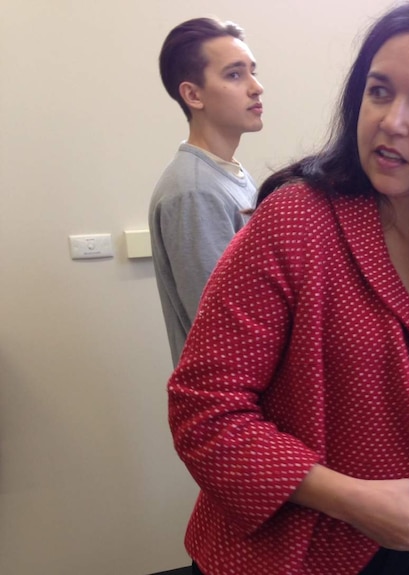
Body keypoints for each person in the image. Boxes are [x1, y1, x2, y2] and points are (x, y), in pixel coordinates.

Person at [167, 2, 409, 574]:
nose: (392, 120)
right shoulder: (296, 221)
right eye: (380, 91)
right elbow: (204, 413)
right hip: (290, 556)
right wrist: (353, 499)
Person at [150, 17, 264, 366]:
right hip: (230, 407)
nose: (256, 87)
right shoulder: (194, 192)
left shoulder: (229, 176)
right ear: (193, 95)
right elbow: (224, 332)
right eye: (234, 74)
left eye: (252, 71)